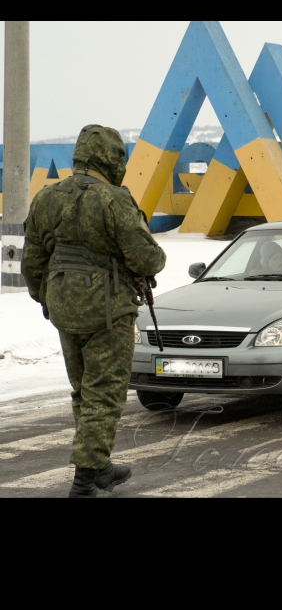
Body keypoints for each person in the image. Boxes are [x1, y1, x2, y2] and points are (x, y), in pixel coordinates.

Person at [21, 125, 166, 497]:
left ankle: (99, 465)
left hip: (63, 308)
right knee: (104, 394)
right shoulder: (114, 200)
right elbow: (150, 258)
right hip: (107, 312)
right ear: (112, 159)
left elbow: (32, 263)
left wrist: (48, 301)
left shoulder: (46, 198)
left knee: (84, 391)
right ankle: (85, 481)